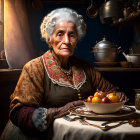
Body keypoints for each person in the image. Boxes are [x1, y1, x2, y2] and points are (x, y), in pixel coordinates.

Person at [1, 7, 129, 140]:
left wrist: (117, 96)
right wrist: (58, 111)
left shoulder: (85, 67)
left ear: (76, 40)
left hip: (83, 133)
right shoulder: (34, 67)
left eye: (71, 35)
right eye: (60, 34)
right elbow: (19, 113)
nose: (67, 41)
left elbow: (109, 91)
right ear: (50, 39)